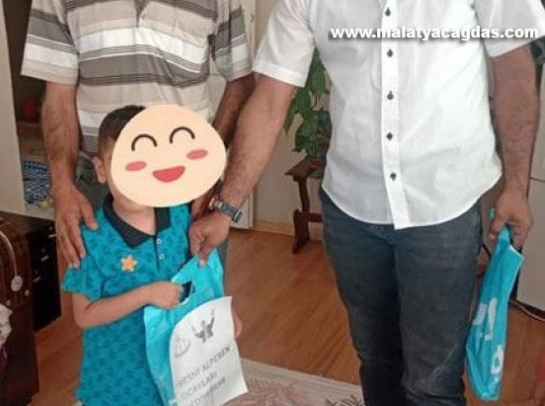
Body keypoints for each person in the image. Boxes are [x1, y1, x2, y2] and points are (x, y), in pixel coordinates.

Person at [189, 1, 545, 405]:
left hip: (444, 205)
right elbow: (271, 98)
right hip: (352, 209)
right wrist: (227, 206)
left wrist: (517, 185)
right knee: (377, 361)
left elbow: (514, 69)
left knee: (432, 381)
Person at [21, 0, 254, 270]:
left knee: (196, 293)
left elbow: (240, 81)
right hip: (103, 185)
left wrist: (209, 172)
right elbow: (58, 92)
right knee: (103, 293)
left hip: (190, 187)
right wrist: (61, 187)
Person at [63, 105, 241, 406]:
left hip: (177, 373)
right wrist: (145, 294)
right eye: (125, 165)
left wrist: (222, 312)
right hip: (114, 384)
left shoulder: (181, 217)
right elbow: (84, 315)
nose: (136, 178)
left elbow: (202, 270)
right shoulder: (90, 241)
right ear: (101, 170)